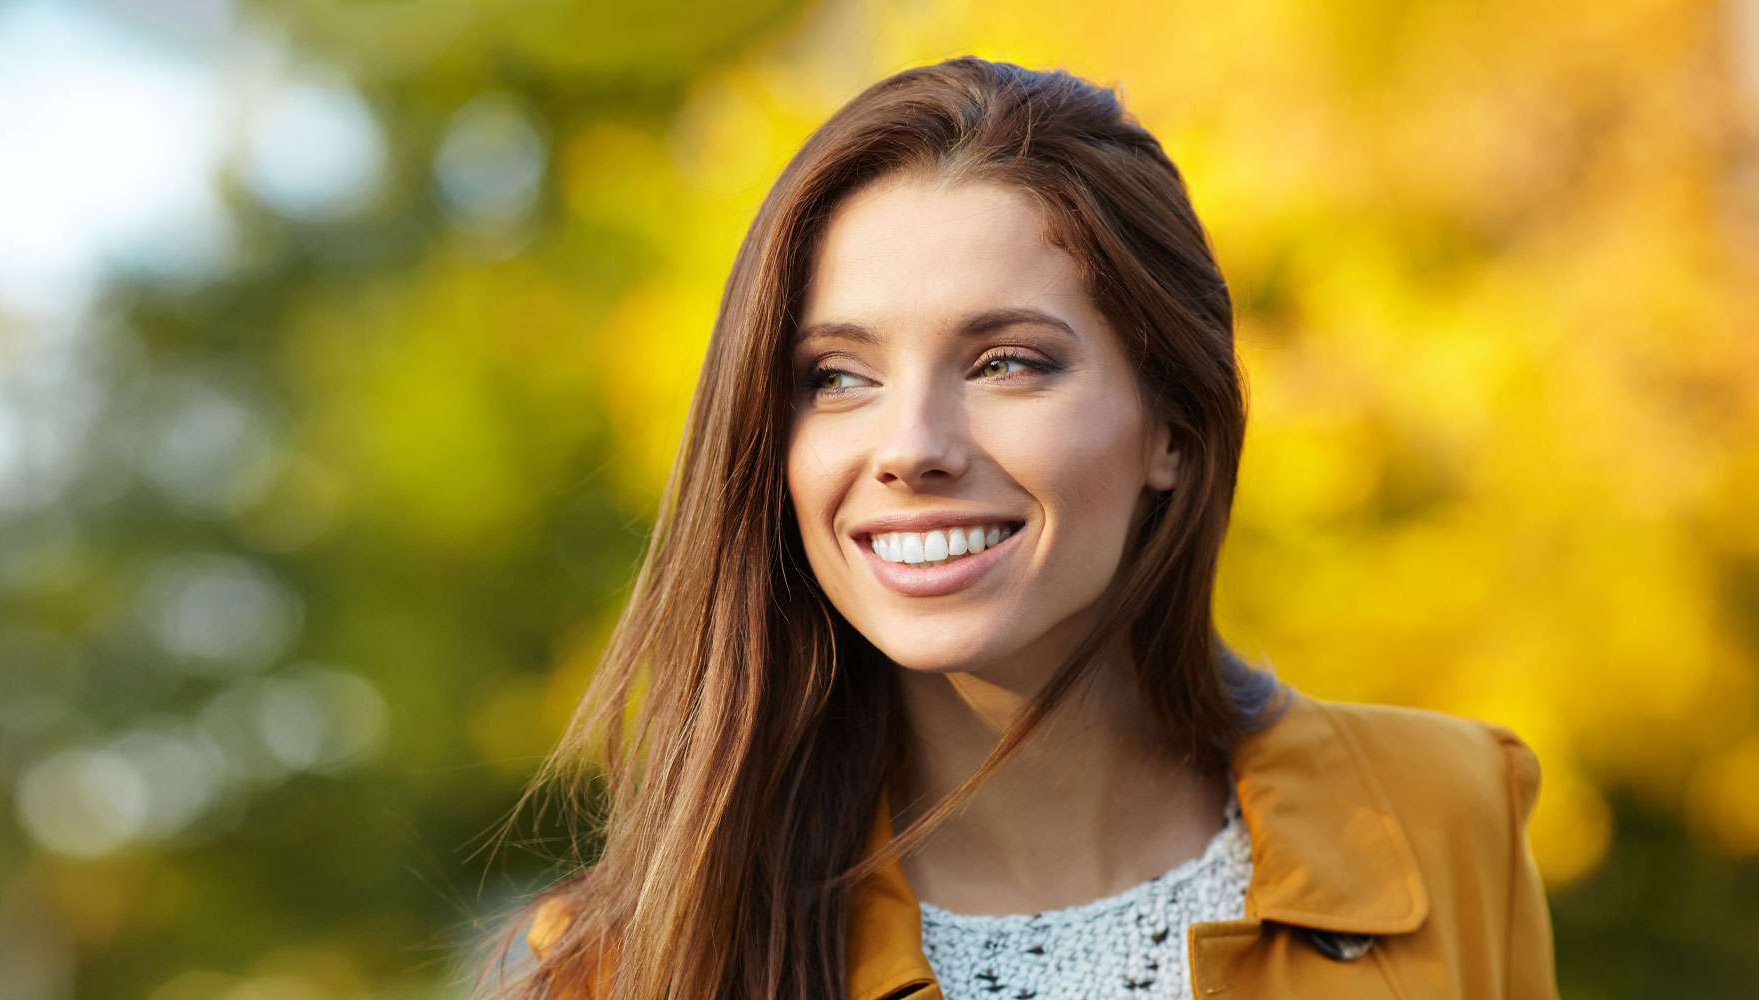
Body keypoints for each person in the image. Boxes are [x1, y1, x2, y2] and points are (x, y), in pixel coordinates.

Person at [479, 56, 1560, 1000]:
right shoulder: (627, 965)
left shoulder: (1443, 814)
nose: (910, 446)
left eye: (1006, 362)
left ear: (1170, 428)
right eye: (837, 376)